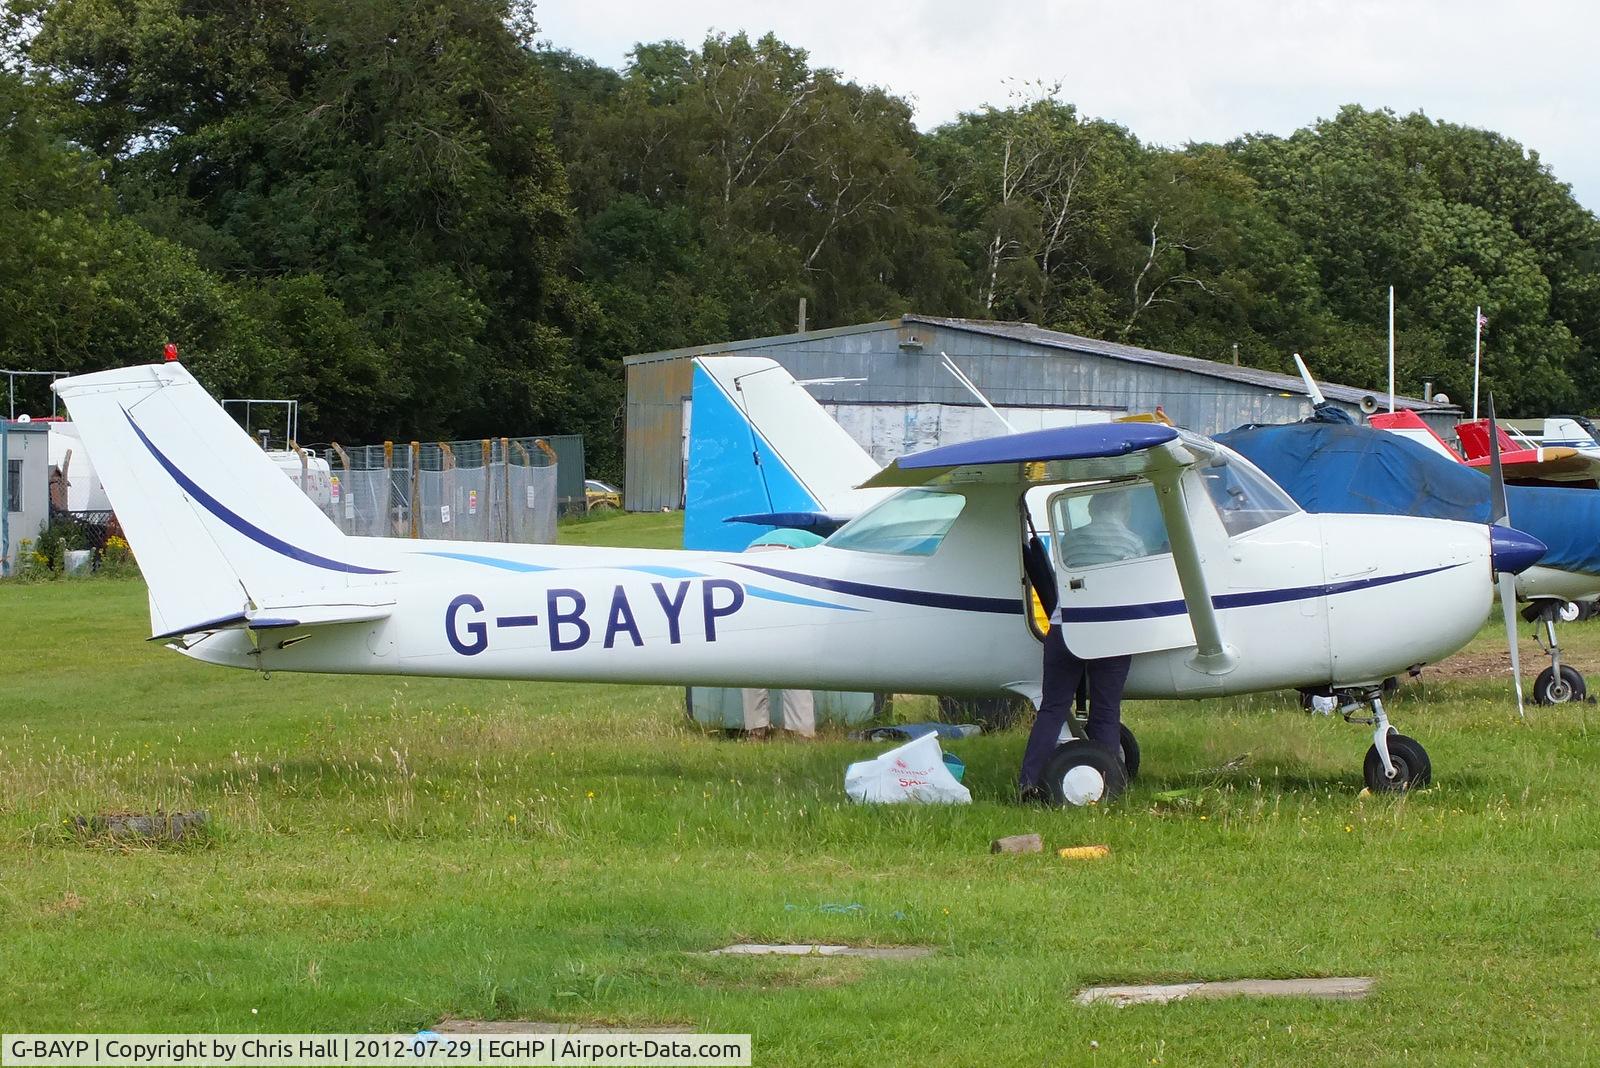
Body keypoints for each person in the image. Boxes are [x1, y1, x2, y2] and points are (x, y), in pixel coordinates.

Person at [1019, 490, 1144, 799]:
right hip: (1110, 631)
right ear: (1123, 509)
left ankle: (1028, 781)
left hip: (1065, 629)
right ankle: (1107, 783)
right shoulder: (1133, 542)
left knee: (1052, 709)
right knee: (1105, 710)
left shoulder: (1071, 541)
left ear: (1091, 510)